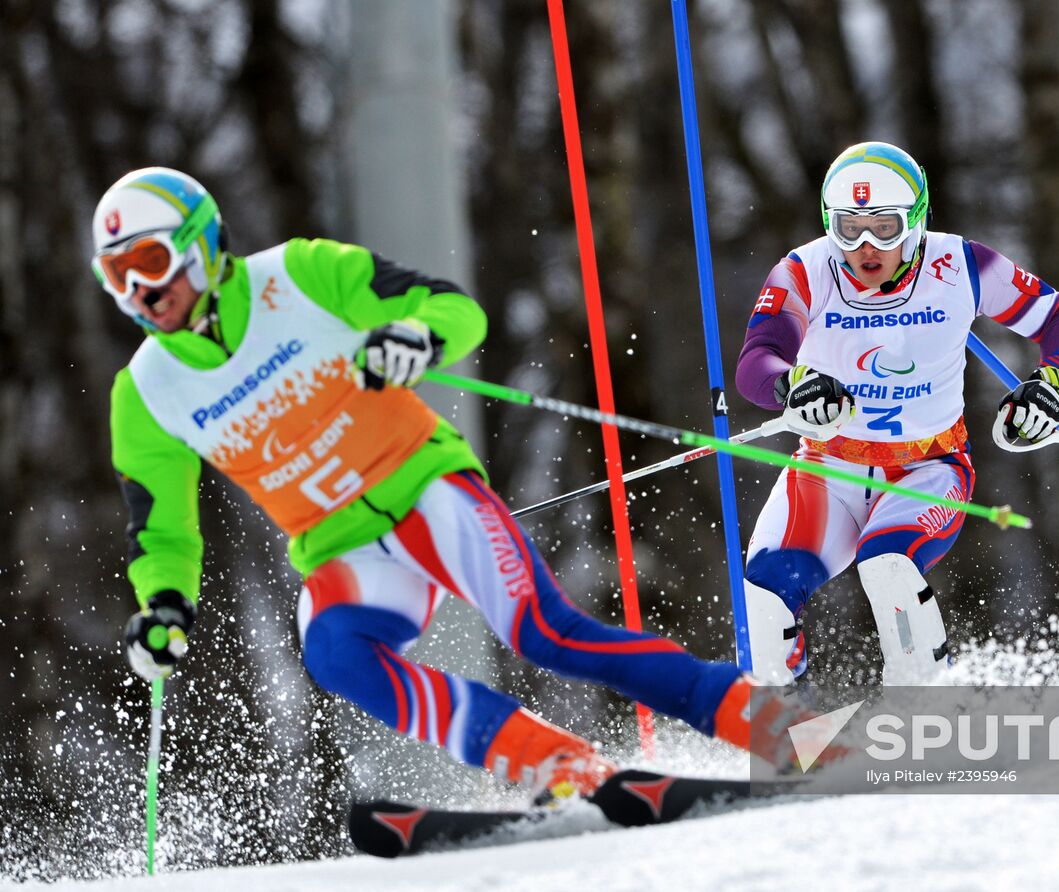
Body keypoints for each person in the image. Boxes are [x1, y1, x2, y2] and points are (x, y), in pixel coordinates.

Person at [96, 167, 766, 801]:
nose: (139, 292)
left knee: (544, 632)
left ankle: (759, 719)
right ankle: (557, 766)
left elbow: (452, 309)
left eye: (150, 263)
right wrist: (163, 605)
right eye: (117, 275)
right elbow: (162, 528)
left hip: (426, 490)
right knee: (335, 653)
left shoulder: (299, 274)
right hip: (339, 547)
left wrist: (415, 339)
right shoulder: (146, 393)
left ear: (203, 245)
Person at [735, 142, 1059, 686]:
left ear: (917, 221)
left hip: (929, 467)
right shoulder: (804, 272)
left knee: (890, 569)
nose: (865, 245)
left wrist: (1050, 383)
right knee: (763, 596)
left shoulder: (963, 266)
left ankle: (927, 729)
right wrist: (793, 384)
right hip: (828, 468)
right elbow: (755, 362)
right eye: (848, 226)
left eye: (885, 225)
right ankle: (791, 750)